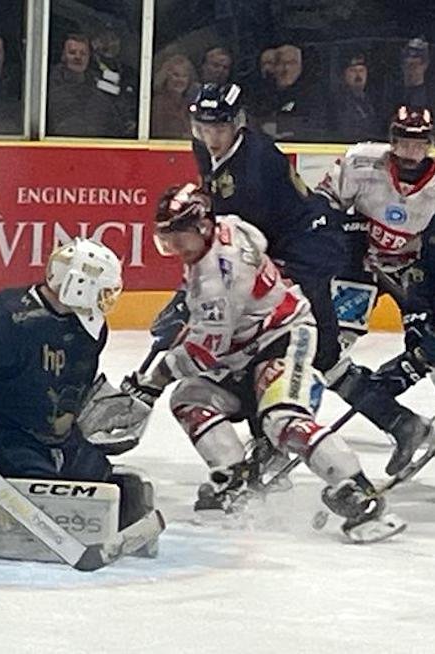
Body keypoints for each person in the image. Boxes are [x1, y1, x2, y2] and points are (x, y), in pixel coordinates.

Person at [122, 183, 405, 543]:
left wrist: (154, 379)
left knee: (283, 420)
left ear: (203, 227)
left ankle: (359, 493)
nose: (174, 247)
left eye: (180, 237)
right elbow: (256, 246)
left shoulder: (217, 279)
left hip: (283, 337)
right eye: (167, 238)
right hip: (245, 346)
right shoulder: (229, 225)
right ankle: (236, 480)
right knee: (190, 400)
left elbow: (206, 350)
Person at [0, 238, 153, 528]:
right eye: (104, 291)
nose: (108, 299)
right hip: (7, 439)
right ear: (79, 285)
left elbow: (68, 380)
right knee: (43, 488)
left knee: (118, 485)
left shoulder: (90, 328)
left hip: (59, 441)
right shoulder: (3, 319)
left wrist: (96, 407)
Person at [188, 82, 347, 375]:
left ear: (237, 123)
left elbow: (242, 233)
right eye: (203, 129)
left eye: (219, 129)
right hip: (277, 234)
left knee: (309, 322)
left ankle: (331, 370)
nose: (211, 139)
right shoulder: (203, 146)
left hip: (310, 240)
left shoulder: (254, 165)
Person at [315, 105, 435, 473]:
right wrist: (344, 233)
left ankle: (404, 420)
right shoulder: (361, 162)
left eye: (419, 143)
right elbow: (322, 207)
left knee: (428, 348)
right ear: (391, 140)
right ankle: (294, 424)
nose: (410, 150)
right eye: (403, 141)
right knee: (328, 350)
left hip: (413, 273)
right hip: (360, 267)